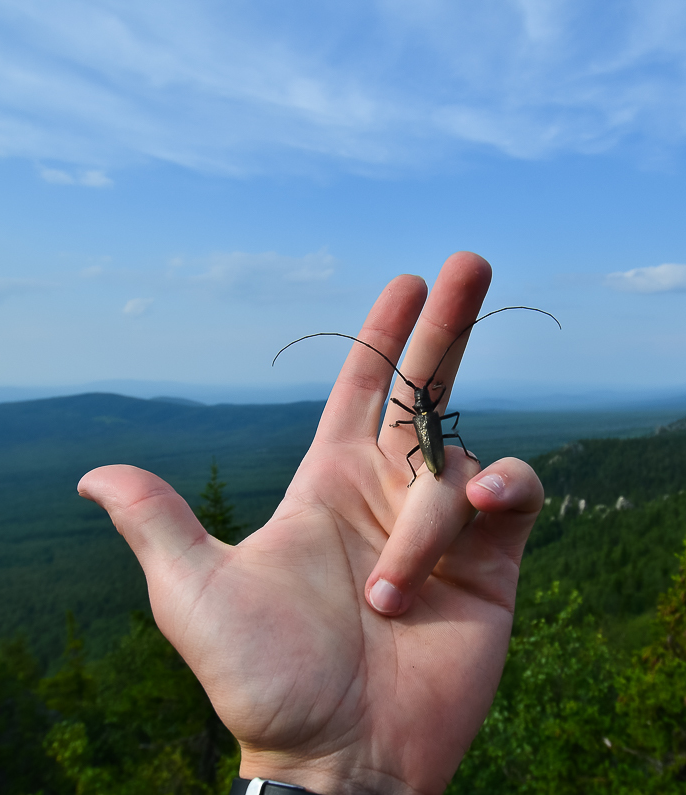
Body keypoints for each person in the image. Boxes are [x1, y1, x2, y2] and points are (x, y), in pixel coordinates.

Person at [79, 252, 545, 795]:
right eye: (423, 401)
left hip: (429, 453)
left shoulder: (413, 416)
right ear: (426, 404)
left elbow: (420, 427)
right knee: (443, 451)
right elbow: (430, 425)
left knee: (442, 459)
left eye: (422, 401)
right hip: (431, 449)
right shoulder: (429, 417)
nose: (423, 404)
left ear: (418, 404)